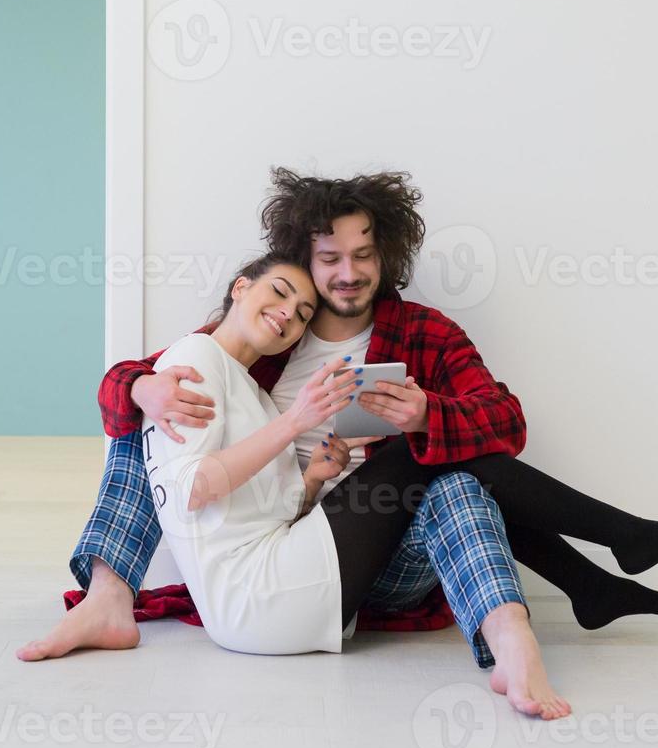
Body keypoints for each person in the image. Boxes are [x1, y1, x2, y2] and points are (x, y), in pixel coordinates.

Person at [18, 169, 658, 693]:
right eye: (327, 259)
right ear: (300, 263)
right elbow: (128, 392)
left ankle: (520, 632)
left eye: (363, 255)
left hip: (395, 556)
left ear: (386, 256)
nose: (347, 273)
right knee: (153, 413)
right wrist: (145, 388)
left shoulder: (424, 332)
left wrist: (427, 416)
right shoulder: (265, 341)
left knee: (448, 473)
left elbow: (506, 421)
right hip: (289, 555)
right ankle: (610, 554)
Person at [138, 253, 572, 718]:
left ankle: (524, 628)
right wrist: (295, 422)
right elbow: (189, 493)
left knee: (449, 475)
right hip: (255, 596)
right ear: (241, 287)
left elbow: (265, 512)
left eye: (305, 312)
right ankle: (603, 547)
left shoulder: (254, 392)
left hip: (269, 582)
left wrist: (312, 478)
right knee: (415, 449)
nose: (290, 313)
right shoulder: (194, 357)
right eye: (280, 291)